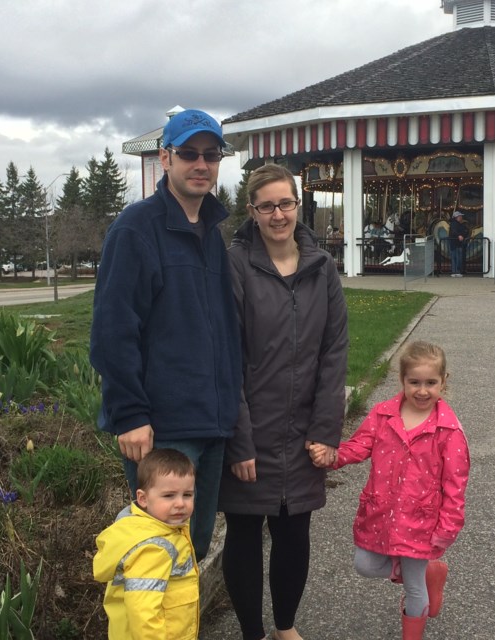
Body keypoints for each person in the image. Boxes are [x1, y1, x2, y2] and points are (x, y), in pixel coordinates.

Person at [89, 108, 242, 562]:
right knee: (158, 560)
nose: (201, 164)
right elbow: (112, 330)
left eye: (211, 155)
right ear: (165, 158)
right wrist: (130, 413)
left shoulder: (211, 233)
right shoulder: (136, 229)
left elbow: (222, 330)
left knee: (189, 555)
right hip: (163, 430)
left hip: (211, 423)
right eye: (189, 153)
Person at [219, 163, 349, 640]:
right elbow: (226, 357)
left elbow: (335, 352)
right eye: (267, 206)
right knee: (246, 533)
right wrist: (239, 439)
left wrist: (325, 429)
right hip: (250, 428)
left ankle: (284, 626)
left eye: (286, 203)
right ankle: (252, 631)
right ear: (252, 212)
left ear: (299, 205)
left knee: (295, 534)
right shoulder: (234, 266)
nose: (279, 214)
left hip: (302, 432)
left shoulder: (322, 268)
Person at [310, 341, 470, 640]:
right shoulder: (384, 415)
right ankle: (427, 572)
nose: (422, 390)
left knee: (414, 589)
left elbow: (455, 485)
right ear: (402, 380)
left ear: (443, 382)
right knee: (365, 564)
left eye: (431, 383)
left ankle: (414, 621)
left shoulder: (448, 430)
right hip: (382, 513)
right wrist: (333, 456)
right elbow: (361, 444)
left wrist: (447, 528)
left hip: (421, 522)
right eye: (414, 382)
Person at [93, 448, 200, 640]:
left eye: (187, 495)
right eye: (169, 496)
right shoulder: (152, 547)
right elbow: (143, 613)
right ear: (143, 498)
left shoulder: (166, 530)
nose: (180, 504)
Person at [448, 210, 470, 277]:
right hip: (456, 243)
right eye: (460, 216)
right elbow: (454, 232)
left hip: (455, 243)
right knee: (457, 257)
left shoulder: (456, 224)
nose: (461, 217)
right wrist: (459, 235)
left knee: (455, 257)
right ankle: (456, 271)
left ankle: (455, 271)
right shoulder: (454, 224)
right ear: (457, 217)